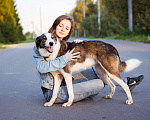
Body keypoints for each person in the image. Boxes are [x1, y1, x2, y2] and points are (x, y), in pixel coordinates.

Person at [33, 15, 144, 105]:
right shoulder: (41, 47)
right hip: (54, 90)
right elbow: (41, 67)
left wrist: (83, 45)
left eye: (67, 28)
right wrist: (64, 59)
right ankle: (120, 83)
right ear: (55, 26)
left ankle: (121, 84)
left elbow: (67, 68)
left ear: (69, 32)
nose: (63, 29)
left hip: (69, 79)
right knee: (99, 84)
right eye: (61, 25)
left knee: (99, 72)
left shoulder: (63, 45)